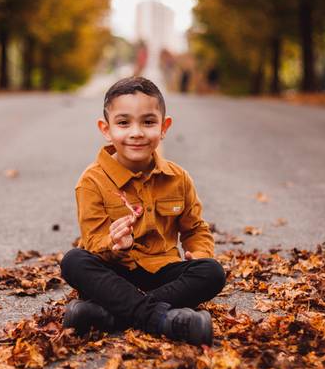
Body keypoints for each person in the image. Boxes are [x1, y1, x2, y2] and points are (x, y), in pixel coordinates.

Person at [60, 77, 226, 346]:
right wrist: (114, 244)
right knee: (73, 261)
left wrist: (199, 253)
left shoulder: (178, 178)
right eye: (124, 123)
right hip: (116, 274)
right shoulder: (92, 181)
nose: (136, 132)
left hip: (164, 275)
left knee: (212, 272)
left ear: (164, 127)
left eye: (148, 122)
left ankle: (108, 315)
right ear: (106, 129)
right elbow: (92, 241)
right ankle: (164, 319)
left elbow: (195, 229)